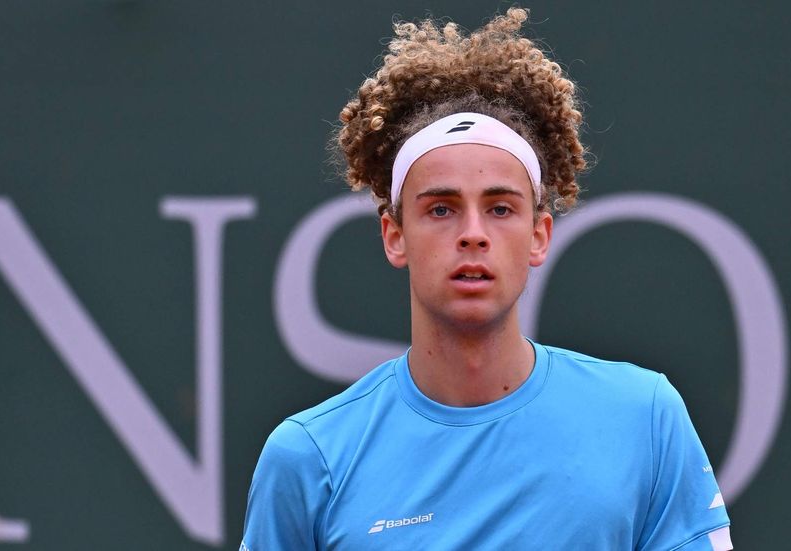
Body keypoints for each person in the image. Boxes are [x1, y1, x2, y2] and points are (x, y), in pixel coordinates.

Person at [241, 8, 732, 550]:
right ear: (395, 235)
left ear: (539, 235)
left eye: (500, 209)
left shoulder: (645, 417)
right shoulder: (308, 458)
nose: (473, 234)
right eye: (441, 209)